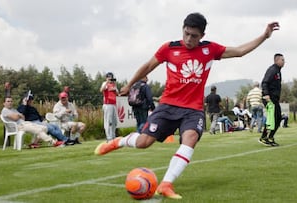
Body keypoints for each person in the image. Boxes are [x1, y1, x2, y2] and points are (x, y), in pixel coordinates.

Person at [94, 12, 279, 199]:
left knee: (190, 137)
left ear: (202, 36)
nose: (189, 39)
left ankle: (166, 184)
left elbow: (239, 51)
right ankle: (117, 142)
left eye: (194, 36)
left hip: (193, 109)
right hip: (168, 105)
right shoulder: (169, 48)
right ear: (182, 30)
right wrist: (129, 84)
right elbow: (148, 66)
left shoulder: (210, 49)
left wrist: (264, 36)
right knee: (143, 142)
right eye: (186, 33)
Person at [258, 53, 285, 147]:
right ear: (276, 60)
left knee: (277, 118)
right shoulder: (272, 70)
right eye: (282, 60)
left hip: (275, 99)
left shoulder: (278, 71)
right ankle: (264, 137)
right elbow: (264, 82)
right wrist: (266, 94)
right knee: (272, 119)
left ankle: (270, 137)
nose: (284, 62)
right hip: (269, 98)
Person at [99, 72, 119, 141]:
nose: (111, 80)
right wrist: (107, 83)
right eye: (109, 78)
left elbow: (117, 94)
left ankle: (113, 135)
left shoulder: (113, 84)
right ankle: (109, 136)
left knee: (114, 121)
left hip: (113, 104)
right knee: (108, 121)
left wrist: (115, 88)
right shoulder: (105, 83)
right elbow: (101, 90)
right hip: (107, 104)